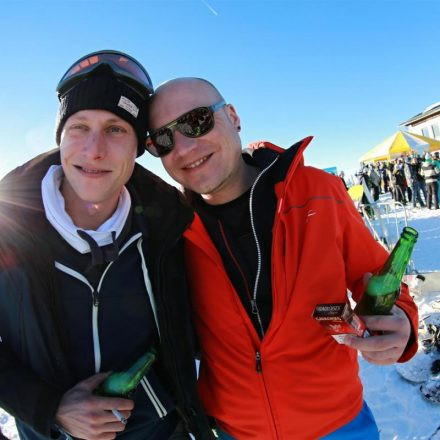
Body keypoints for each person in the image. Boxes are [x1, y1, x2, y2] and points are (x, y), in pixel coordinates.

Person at [145, 77, 419, 439]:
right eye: (163, 140)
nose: (182, 147)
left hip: (337, 425)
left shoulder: (318, 191)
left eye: (196, 121)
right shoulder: (170, 229)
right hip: (234, 431)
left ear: (232, 116)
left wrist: (402, 324)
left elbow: (382, 280)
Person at [0, 53, 214, 440]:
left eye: (116, 130)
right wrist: (49, 408)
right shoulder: (6, 225)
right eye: (79, 127)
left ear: (138, 146)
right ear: (61, 137)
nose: (94, 149)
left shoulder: (171, 224)